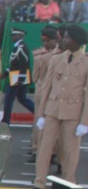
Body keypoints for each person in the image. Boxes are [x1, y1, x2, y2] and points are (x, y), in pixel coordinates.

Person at [29, 24, 88, 189]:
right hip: (52, 110)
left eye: (68, 37)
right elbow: (46, 87)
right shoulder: (56, 59)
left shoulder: (85, 62)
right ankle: (39, 183)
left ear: (76, 41)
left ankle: (68, 183)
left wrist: (85, 122)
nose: (64, 40)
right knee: (44, 147)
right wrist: (40, 114)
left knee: (70, 151)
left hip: (73, 112)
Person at [29, 25, 61, 157]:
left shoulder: (40, 56)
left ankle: (38, 149)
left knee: (41, 121)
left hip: (43, 91)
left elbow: (35, 77)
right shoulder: (58, 56)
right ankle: (45, 150)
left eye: (48, 41)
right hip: (52, 93)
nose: (46, 43)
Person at [0, 27, 35, 125]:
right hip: (17, 77)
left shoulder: (21, 47)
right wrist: (5, 73)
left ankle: (6, 120)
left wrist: (21, 78)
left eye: (14, 35)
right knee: (22, 99)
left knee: (8, 98)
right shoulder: (17, 46)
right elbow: (14, 65)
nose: (12, 37)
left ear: (20, 36)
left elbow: (23, 64)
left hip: (18, 78)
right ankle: (38, 113)